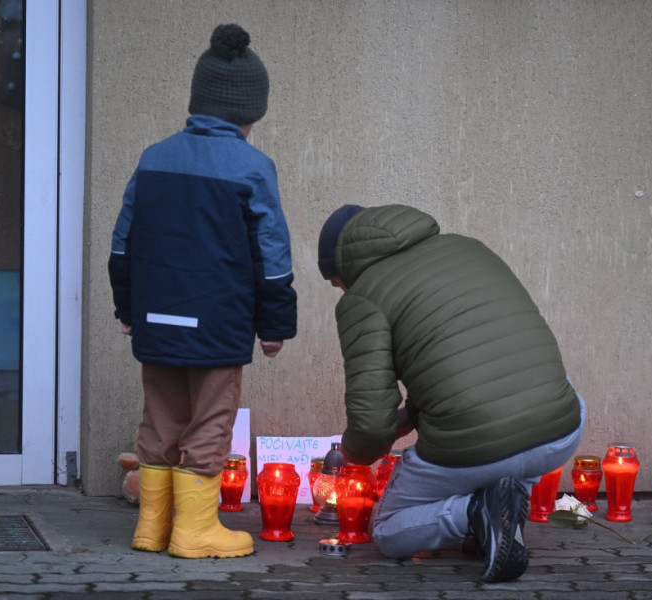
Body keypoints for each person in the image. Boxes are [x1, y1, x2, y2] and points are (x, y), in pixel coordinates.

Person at [317, 204, 585, 582]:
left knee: (389, 530)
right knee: (521, 425)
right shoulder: (467, 246)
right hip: (559, 426)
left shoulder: (362, 297)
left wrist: (351, 453)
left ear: (344, 266)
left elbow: (372, 425)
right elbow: (469, 355)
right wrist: (413, 414)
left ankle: (476, 513)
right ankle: (501, 520)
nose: (339, 290)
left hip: (477, 441)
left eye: (335, 282)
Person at [108, 24, 296, 559]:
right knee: (211, 419)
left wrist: (128, 308)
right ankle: (194, 532)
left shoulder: (153, 157)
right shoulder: (253, 168)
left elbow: (123, 245)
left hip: (156, 317)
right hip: (219, 321)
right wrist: (275, 326)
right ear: (251, 112)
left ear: (198, 100)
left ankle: (152, 527)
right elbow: (272, 255)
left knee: (160, 417)